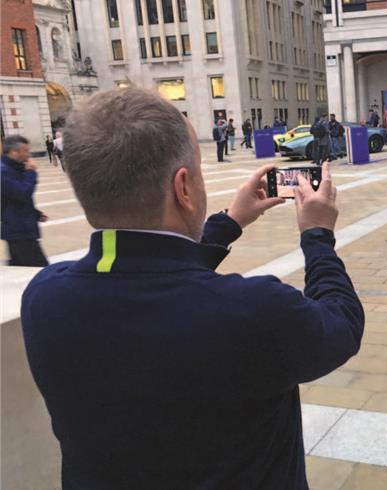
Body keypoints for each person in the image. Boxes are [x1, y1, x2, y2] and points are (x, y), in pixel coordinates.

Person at [21, 87, 364, 489]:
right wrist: (317, 235)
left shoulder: (45, 299)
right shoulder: (253, 311)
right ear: (184, 188)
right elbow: (341, 324)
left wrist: (229, 221)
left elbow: (148, 269)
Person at [1, 135, 49, 266]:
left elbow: (14, 199)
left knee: (21, 267)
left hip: (20, 228)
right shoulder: (3, 172)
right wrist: (31, 173)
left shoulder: (14, 168)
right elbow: (22, 193)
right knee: (39, 268)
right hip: (18, 231)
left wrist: (36, 214)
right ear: (13, 152)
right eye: (26, 151)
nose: (29, 154)